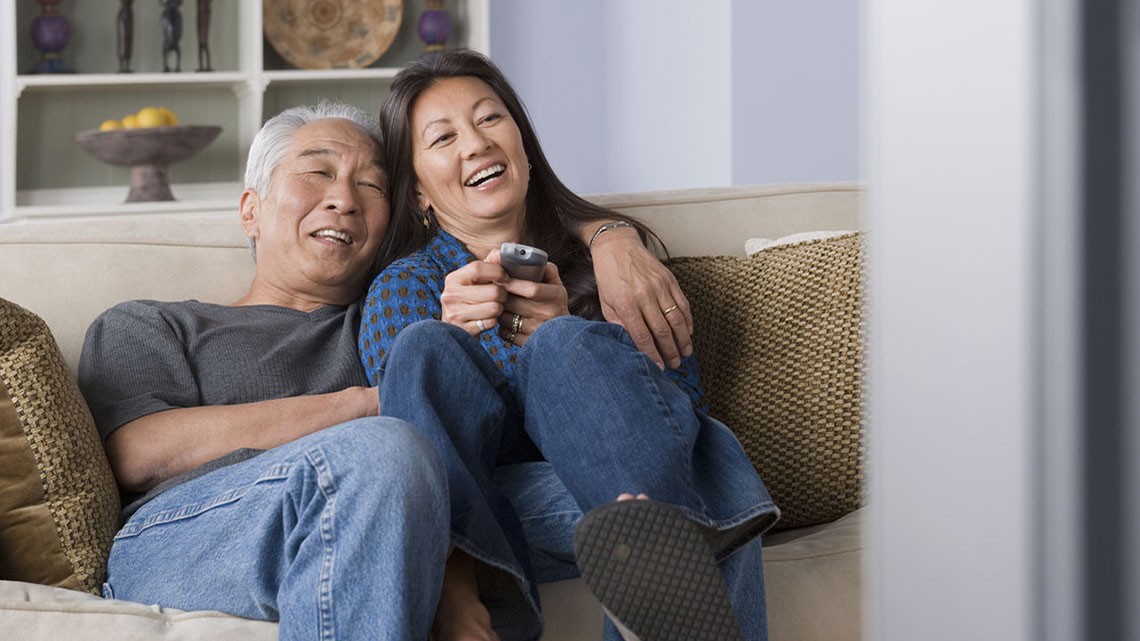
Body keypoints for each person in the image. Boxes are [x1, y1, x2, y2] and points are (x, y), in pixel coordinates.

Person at [359, 49, 779, 641]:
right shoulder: (406, 285)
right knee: (426, 347)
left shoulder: (613, 270)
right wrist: (468, 343)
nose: (475, 144)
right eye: (442, 138)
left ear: (524, 146)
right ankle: (652, 555)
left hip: (624, 496)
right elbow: (404, 448)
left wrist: (576, 344)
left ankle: (655, 567)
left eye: (489, 119)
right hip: (487, 505)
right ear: (420, 195)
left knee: (580, 358)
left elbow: (684, 411)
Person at [78, 102, 456, 641]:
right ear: (251, 210)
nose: (344, 200)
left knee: (608, 492)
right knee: (383, 449)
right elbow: (137, 454)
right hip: (187, 536)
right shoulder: (152, 322)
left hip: (383, 501)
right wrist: (363, 406)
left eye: (371, 187)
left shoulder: (393, 321)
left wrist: (607, 235)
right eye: (318, 173)